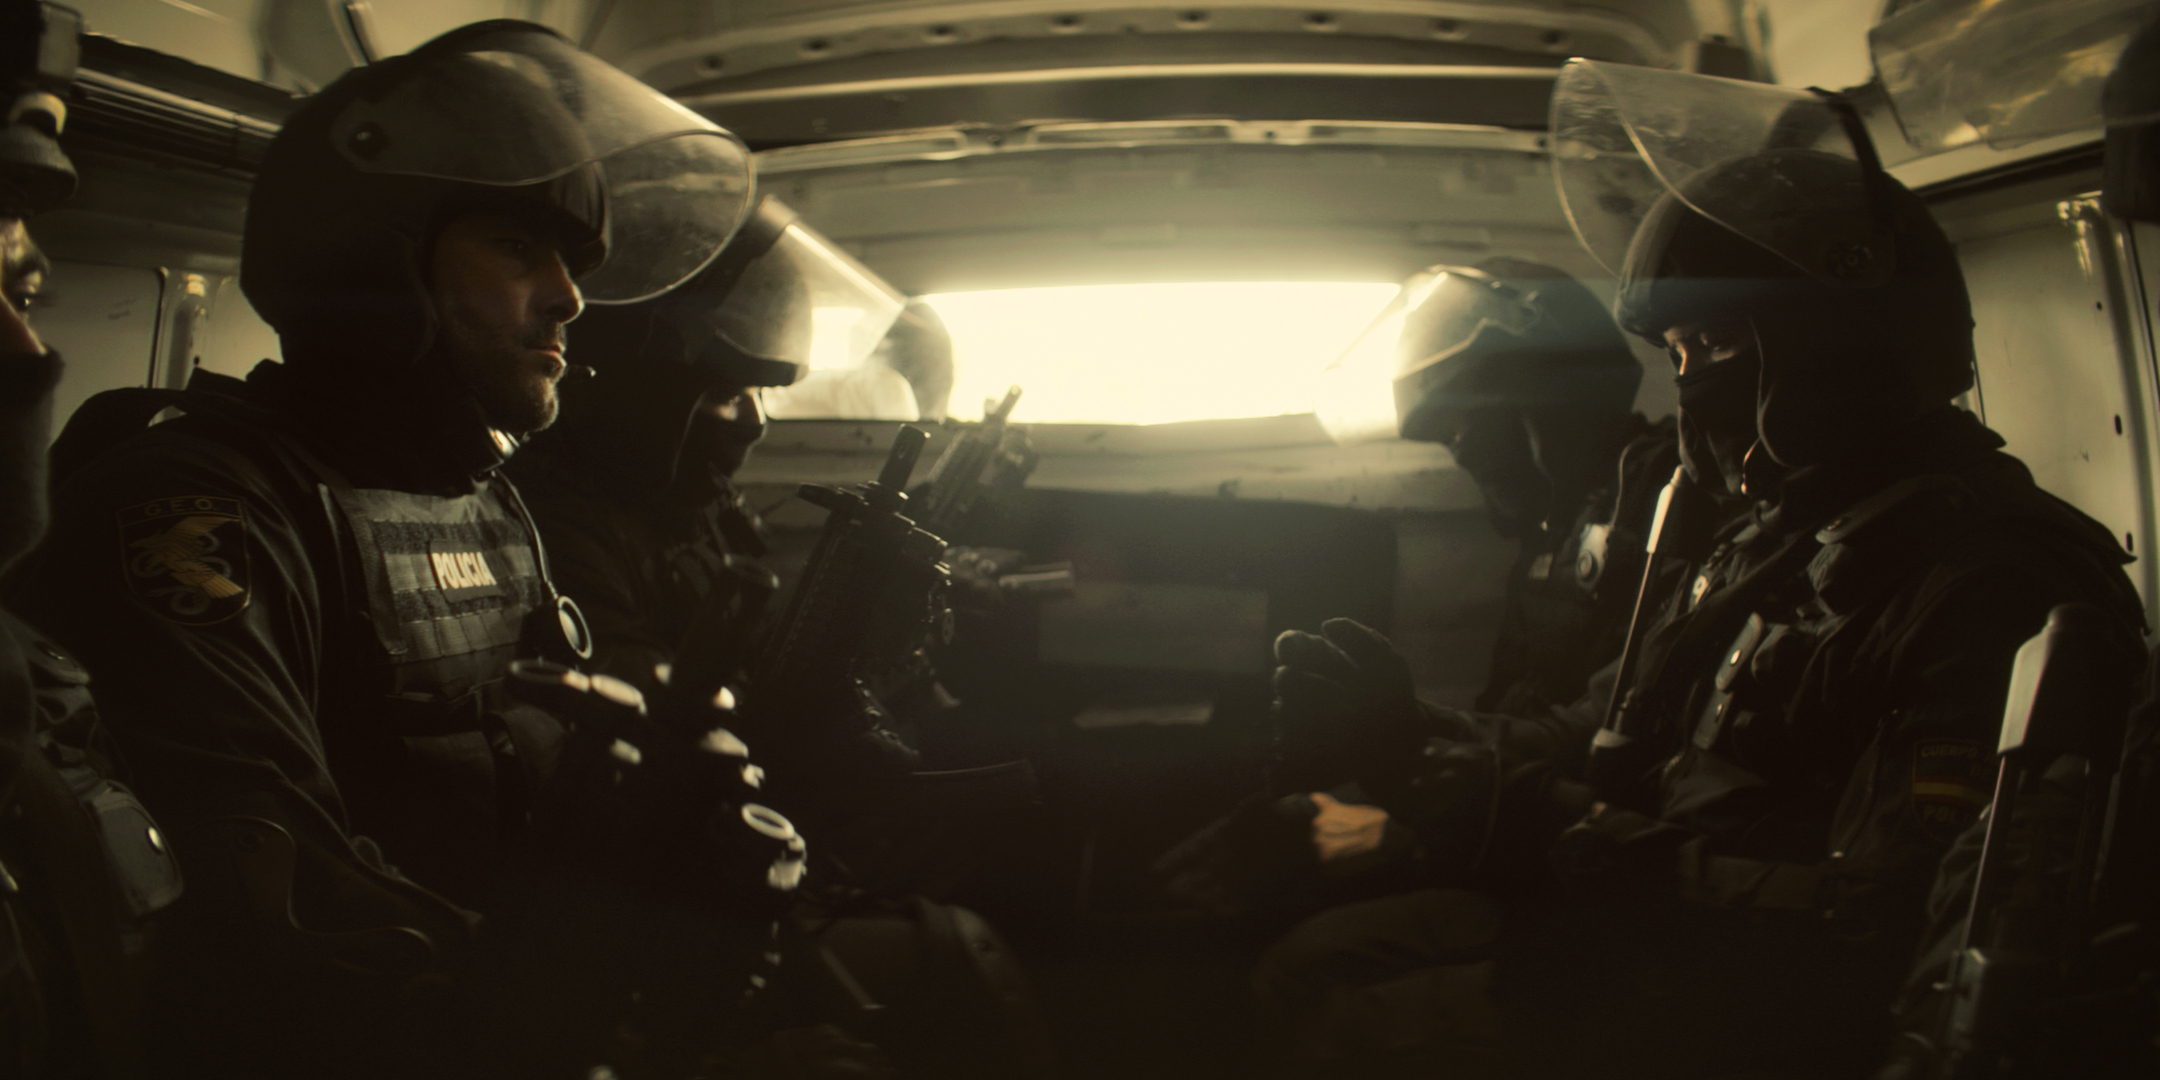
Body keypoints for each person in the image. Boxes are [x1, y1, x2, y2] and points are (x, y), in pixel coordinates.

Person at [1260, 60, 2147, 1079]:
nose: (1687, 394)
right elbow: (1613, 722)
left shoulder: (1990, 584)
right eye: (1676, 355)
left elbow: (1879, 923)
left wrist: (1551, 822)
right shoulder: (1776, 538)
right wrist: (1415, 734)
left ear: (1838, 346)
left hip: (1742, 1006)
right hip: (1646, 940)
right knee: (1311, 963)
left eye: (1714, 345)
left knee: (1335, 1005)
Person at [3, 21, 818, 1078]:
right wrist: (552, 1004)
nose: (569, 298)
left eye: (570, 262)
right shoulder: (201, 510)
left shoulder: (484, 499)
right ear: (373, 263)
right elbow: (275, 899)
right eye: (519, 250)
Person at [512, 196, 1054, 1080]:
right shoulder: (559, 528)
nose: (756, 422)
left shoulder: (689, 509)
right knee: (967, 957)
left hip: (737, 851)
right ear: (638, 391)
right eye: (725, 392)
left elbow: (757, 657)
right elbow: (662, 731)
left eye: (763, 391)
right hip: (658, 891)